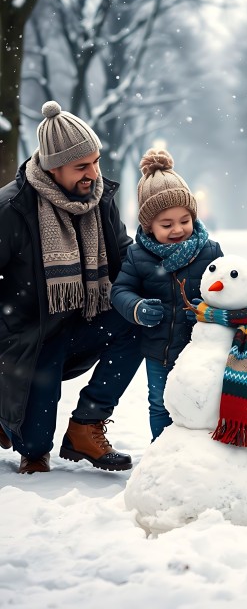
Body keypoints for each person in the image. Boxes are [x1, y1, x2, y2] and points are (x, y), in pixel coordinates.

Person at [0, 101, 140, 474]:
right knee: (34, 447)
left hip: (79, 326)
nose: (94, 173)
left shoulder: (98, 200)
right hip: (27, 341)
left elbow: (126, 260)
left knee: (143, 316)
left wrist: (175, 275)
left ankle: (86, 424)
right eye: (82, 166)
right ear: (52, 167)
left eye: (95, 161)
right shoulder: (12, 210)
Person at [108, 148, 223, 441]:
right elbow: (120, 290)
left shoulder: (210, 251)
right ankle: (162, 451)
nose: (178, 230)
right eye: (166, 224)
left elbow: (228, 289)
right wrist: (136, 307)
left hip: (202, 349)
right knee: (160, 403)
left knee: (203, 404)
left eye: (184, 220)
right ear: (149, 225)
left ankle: (201, 455)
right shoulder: (138, 255)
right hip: (159, 349)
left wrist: (211, 306)